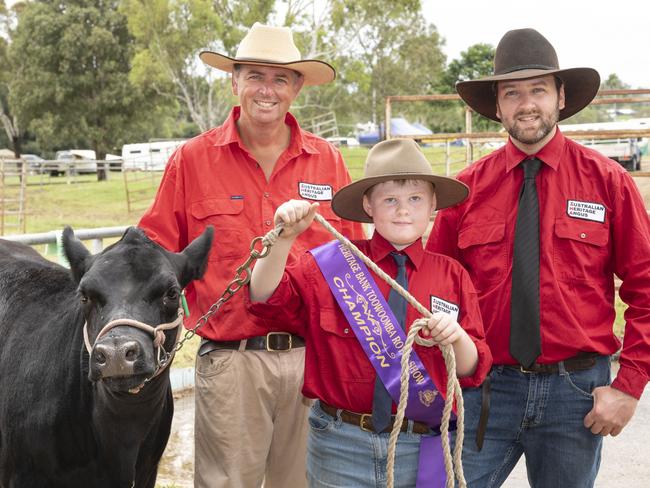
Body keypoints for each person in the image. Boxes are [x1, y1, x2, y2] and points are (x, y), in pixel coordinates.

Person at [138, 23, 364, 488]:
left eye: (281, 78)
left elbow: (350, 260)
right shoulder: (192, 160)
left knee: (305, 483)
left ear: (298, 87)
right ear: (234, 82)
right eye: (255, 76)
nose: (267, 90)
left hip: (311, 362)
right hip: (232, 362)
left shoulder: (328, 161)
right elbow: (155, 254)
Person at [427, 28, 650, 487]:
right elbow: (436, 290)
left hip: (575, 393)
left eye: (538, 90)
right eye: (512, 93)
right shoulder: (466, 192)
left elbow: (646, 285)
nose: (526, 104)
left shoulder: (608, 182)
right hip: (486, 387)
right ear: (498, 105)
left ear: (561, 97)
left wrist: (629, 385)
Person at [248, 138, 492, 487]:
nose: (403, 210)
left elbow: (472, 367)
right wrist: (283, 239)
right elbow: (262, 296)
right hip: (339, 444)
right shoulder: (331, 264)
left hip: (421, 446)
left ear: (433, 204)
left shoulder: (453, 276)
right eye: (389, 199)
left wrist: (456, 338)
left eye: (415, 199)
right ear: (368, 205)